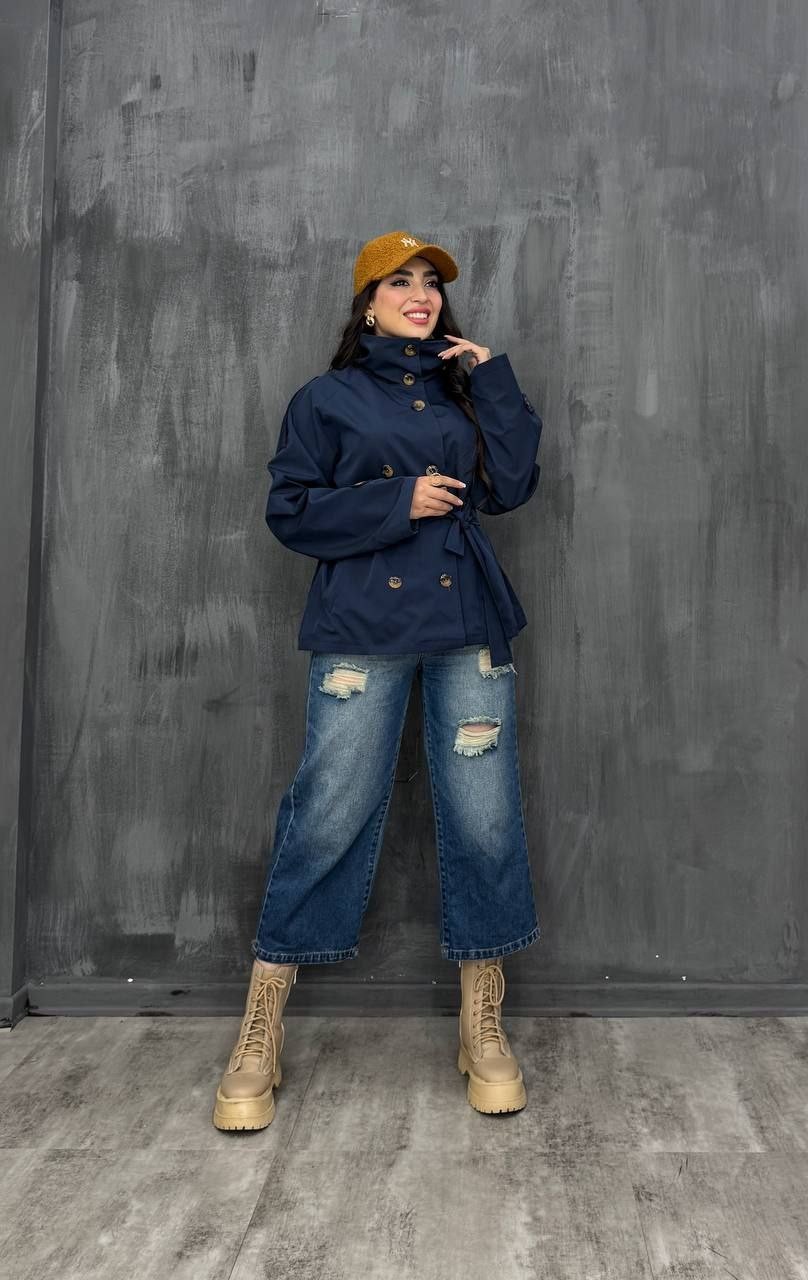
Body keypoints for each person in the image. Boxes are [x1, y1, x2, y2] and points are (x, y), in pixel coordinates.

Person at [213, 230, 544, 1132]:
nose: (420, 294)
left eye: (430, 282)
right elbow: (290, 510)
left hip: (467, 622)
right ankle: (260, 1027)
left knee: (483, 815)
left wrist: (494, 381)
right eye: (399, 282)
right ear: (367, 306)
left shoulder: (464, 390)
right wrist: (399, 501)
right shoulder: (325, 399)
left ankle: (482, 1023)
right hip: (362, 623)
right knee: (330, 807)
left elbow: (512, 485)